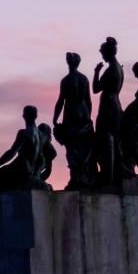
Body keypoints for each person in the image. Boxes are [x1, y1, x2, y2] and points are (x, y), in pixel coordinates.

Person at [0, 105, 45, 234]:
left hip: (19, 169)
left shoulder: (24, 133)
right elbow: (40, 157)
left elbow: (12, 152)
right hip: (28, 171)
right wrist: (36, 174)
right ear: (36, 116)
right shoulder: (40, 135)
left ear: (23, 116)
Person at [52, 52, 94, 189]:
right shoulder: (84, 79)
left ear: (68, 62)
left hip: (71, 114)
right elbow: (88, 101)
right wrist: (88, 117)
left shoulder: (66, 80)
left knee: (72, 148)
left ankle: (77, 178)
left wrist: (55, 118)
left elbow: (60, 101)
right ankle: (83, 177)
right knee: (84, 148)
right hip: (84, 114)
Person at [92, 37, 124, 185]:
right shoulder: (118, 67)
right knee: (113, 140)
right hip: (116, 105)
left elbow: (96, 88)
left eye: (103, 53)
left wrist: (96, 72)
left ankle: (108, 178)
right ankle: (112, 175)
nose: (102, 56)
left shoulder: (111, 69)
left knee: (107, 140)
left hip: (108, 106)